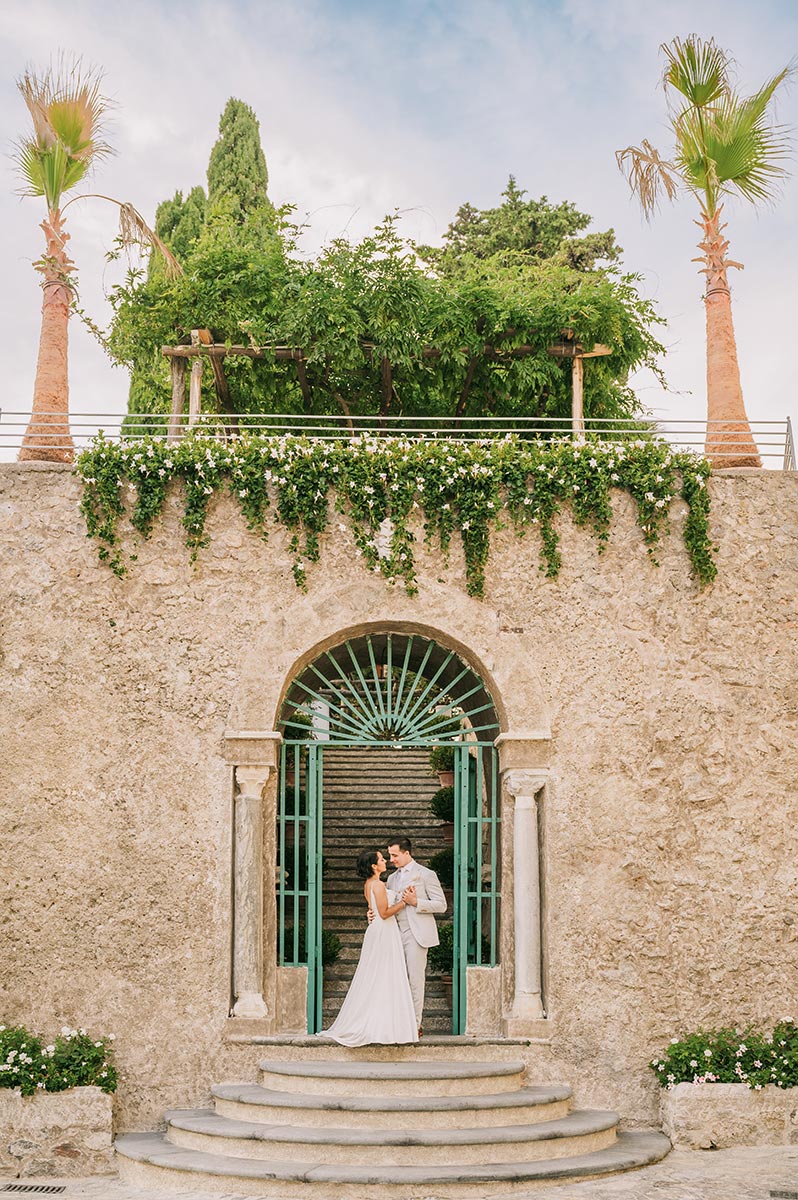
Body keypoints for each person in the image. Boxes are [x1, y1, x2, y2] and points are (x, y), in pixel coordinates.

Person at [320, 849, 418, 1046]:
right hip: (384, 931)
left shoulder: (369, 884)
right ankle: (382, 1026)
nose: (385, 861)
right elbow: (383, 912)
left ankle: (383, 1024)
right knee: (384, 975)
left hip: (379, 930)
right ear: (374, 866)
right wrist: (404, 903)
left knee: (378, 975)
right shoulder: (378, 885)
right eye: (382, 859)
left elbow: (374, 910)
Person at [384, 835, 447, 1037]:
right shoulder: (392, 879)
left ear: (407, 853)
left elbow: (441, 905)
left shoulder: (426, 874)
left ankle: (414, 1025)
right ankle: (398, 1022)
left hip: (416, 933)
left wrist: (416, 901)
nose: (391, 859)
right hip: (394, 932)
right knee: (397, 979)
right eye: (389, 855)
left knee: (415, 980)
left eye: (394, 855)